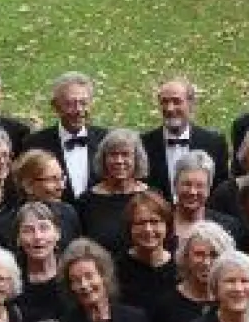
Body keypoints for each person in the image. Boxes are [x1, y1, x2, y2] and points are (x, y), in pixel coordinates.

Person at [23, 72, 108, 201]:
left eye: (84, 103)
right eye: (70, 104)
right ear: (55, 106)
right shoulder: (35, 144)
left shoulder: (106, 140)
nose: (79, 109)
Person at [141, 77, 229, 196]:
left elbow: (219, 191)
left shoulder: (214, 143)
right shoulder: (144, 144)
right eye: (164, 102)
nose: (170, 108)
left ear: (191, 104)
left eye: (176, 101)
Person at [75, 129, 152, 254]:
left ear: (136, 159)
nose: (119, 161)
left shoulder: (152, 197)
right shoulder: (85, 202)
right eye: (113, 155)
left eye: (125, 154)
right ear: (103, 160)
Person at [115, 191, 178, 311]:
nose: (148, 229)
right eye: (140, 223)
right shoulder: (116, 270)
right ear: (130, 228)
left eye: (154, 222)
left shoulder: (181, 268)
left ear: (167, 225)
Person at [9, 148, 82, 245]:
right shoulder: (12, 220)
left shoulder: (68, 212)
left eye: (62, 178)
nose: (61, 187)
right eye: (52, 179)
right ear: (28, 186)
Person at [169, 152, 242, 246]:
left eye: (199, 185)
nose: (192, 191)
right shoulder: (161, 221)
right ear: (175, 185)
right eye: (187, 184)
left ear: (209, 189)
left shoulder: (229, 227)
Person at [12, 202, 68, 322]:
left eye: (44, 228)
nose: (37, 237)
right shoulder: (11, 279)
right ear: (18, 239)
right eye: (28, 230)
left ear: (57, 233)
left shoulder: (71, 273)